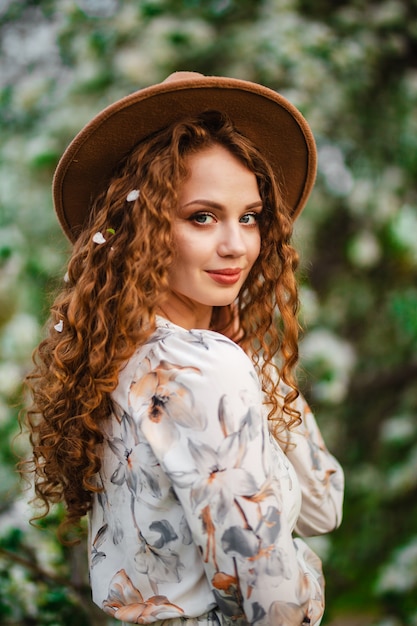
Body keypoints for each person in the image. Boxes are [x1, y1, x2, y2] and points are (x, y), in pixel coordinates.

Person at [23, 71, 344, 625]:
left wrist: (249, 359)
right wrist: (308, 584)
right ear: (142, 228)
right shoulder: (203, 369)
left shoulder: (115, 357)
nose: (236, 245)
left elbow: (321, 505)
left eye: (250, 217)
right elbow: (271, 603)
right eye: (202, 217)